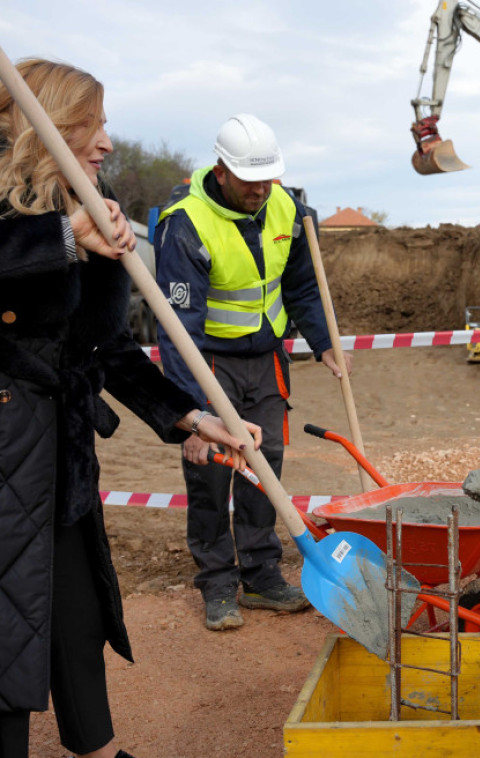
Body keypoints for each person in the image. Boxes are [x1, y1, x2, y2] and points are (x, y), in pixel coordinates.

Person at [0, 58, 260, 758]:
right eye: (94, 122)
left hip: (60, 457)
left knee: (76, 617)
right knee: (4, 637)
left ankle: (95, 747)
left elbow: (103, 347)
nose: (108, 141)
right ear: (47, 122)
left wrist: (187, 415)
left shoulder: (85, 195)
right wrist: (59, 242)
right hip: (5, 454)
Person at [155, 113, 348, 631]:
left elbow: (304, 286)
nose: (261, 189)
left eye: (269, 178)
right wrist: (191, 413)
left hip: (267, 362)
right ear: (221, 171)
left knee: (266, 469)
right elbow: (178, 329)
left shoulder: (288, 207)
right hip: (208, 360)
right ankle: (218, 583)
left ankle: (262, 575)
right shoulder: (185, 223)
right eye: (249, 179)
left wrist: (324, 343)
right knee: (214, 471)